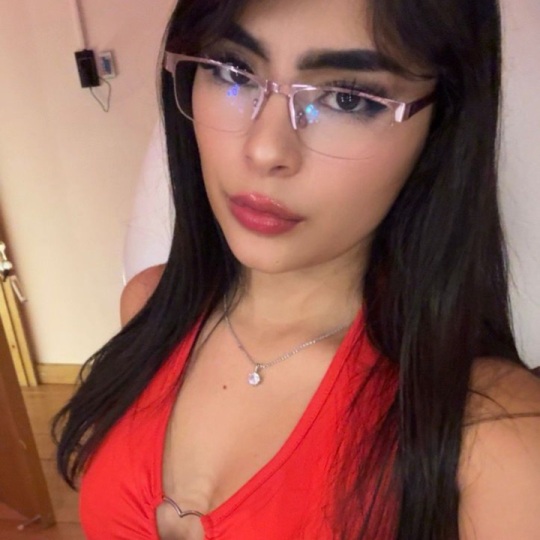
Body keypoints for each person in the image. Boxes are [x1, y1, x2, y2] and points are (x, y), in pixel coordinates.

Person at [53, 0, 540, 538]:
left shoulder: (495, 432)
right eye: (232, 72)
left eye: (348, 98)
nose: (265, 150)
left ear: (443, 122)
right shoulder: (150, 305)